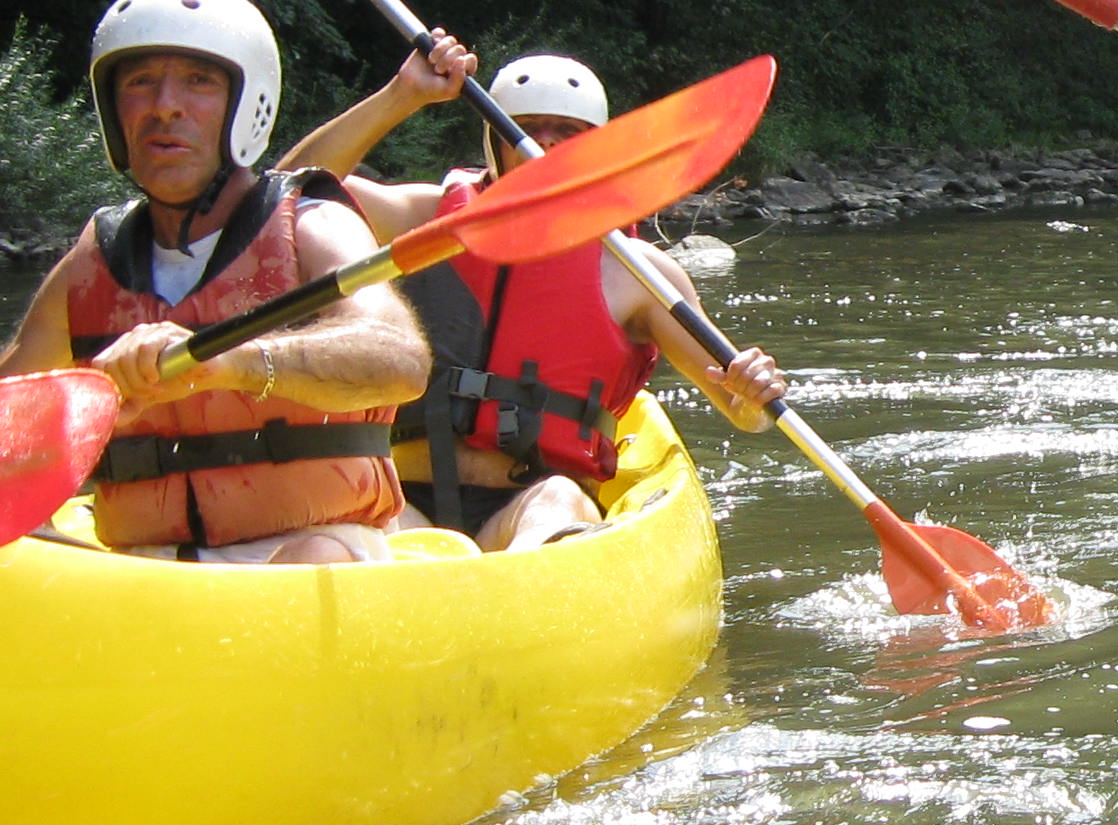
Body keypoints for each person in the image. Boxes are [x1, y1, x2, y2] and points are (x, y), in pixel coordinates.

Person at [0, 0, 427, 563]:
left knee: (314, 556)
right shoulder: (95, 260)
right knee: (1, 538)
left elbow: (399, 361)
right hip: (144, 571)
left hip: (310, 547)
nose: (165, 105)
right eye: (140, 82)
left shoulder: (312, 224)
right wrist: (88, 405)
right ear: (114, 111)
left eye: (199, 81)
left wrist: (228, 363)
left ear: (247, 106)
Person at [278, 38, 787, 547]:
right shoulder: (422, 219)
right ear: (493, 142)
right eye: (523, 130)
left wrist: (751, 392)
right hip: (400, 501)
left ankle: (539, 584)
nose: (541, 146)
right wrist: (402, 95)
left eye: (565, 133)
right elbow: (286, 192)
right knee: (346, 527)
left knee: (558, 499)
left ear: (596, 147)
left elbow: (744, 411)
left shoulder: (637, 272)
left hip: (530, 505)